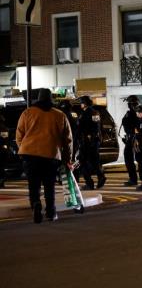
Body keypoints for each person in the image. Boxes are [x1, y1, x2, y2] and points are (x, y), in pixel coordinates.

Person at [15, 88, 72, 223]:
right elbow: (68, 140)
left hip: (29, 155)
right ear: (51, 99)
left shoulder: (27, 113)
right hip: (51, 155)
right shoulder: (59, 115)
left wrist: (23, 149)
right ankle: (51, 212)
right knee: (49, 185)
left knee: (33, 184)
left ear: (38, 99)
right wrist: (67, 158)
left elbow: (19, 135)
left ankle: (35, 204)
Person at [77, 95, 106, 190]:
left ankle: (89, 183)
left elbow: (81, 128)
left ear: (84, 104)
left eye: (81, 102)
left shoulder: (85, 113)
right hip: (95, 140)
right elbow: (98, 127)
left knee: (82, 161)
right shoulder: (95, 112)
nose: (80, 104)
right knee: (95, 160)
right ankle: (101, 176)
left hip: (87, 141)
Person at [121, 95, 140, 186]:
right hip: (136, 138)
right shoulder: (140, 111)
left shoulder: (132, 113)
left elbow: (128, 125)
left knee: (129, 159)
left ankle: (133, 179)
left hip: (132, 138)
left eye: (128, 103)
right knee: (141, 159)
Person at [0, 110, 8, 188]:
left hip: (1, 149)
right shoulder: (3, 127)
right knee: (1, 167)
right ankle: (1, 181)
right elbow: (5, 138)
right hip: (1, 150)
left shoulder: (3, 128)